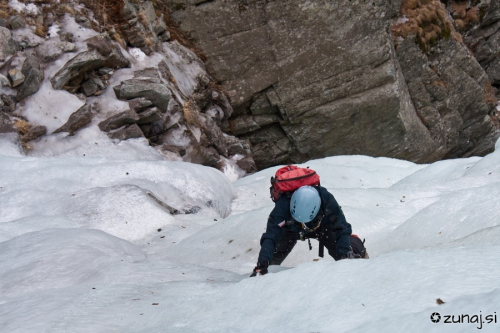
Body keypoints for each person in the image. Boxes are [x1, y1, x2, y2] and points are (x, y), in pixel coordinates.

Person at [251, 185, 367, 276]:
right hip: (291, 228)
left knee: (345, 254)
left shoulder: (326, 199)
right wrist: (262, 263)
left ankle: (357, 251)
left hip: (322, 226)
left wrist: (343, 254)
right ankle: (265, 272)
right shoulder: (282, 206)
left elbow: (341, 228)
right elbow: (271, 235)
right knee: (273, 259)